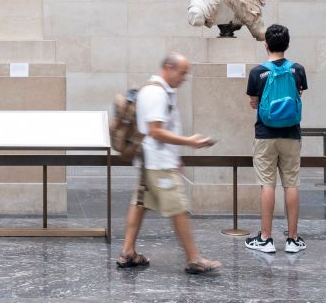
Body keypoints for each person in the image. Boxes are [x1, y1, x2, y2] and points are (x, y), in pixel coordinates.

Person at [117, 52, 222, 274]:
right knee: (179, 209)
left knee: (140, 203)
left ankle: (127, 251)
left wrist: (176, 155)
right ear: (168, 67)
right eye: (182, 72)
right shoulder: (157, 93)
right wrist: (190, 142)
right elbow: (155, 132)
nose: (184, 78)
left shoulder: (154, 90)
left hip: (150, 161)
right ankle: (194, 258)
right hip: (159, 165)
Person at [244, 24, 308, 254]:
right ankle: (292, 239)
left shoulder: (257, 72)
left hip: (265, 135)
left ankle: (266, 238)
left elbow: (254, 101)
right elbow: (299, 95)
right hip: (291, 134)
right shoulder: (297, 69)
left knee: (267, 184)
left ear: (266, 45)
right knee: (291, 184)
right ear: (287, 45)